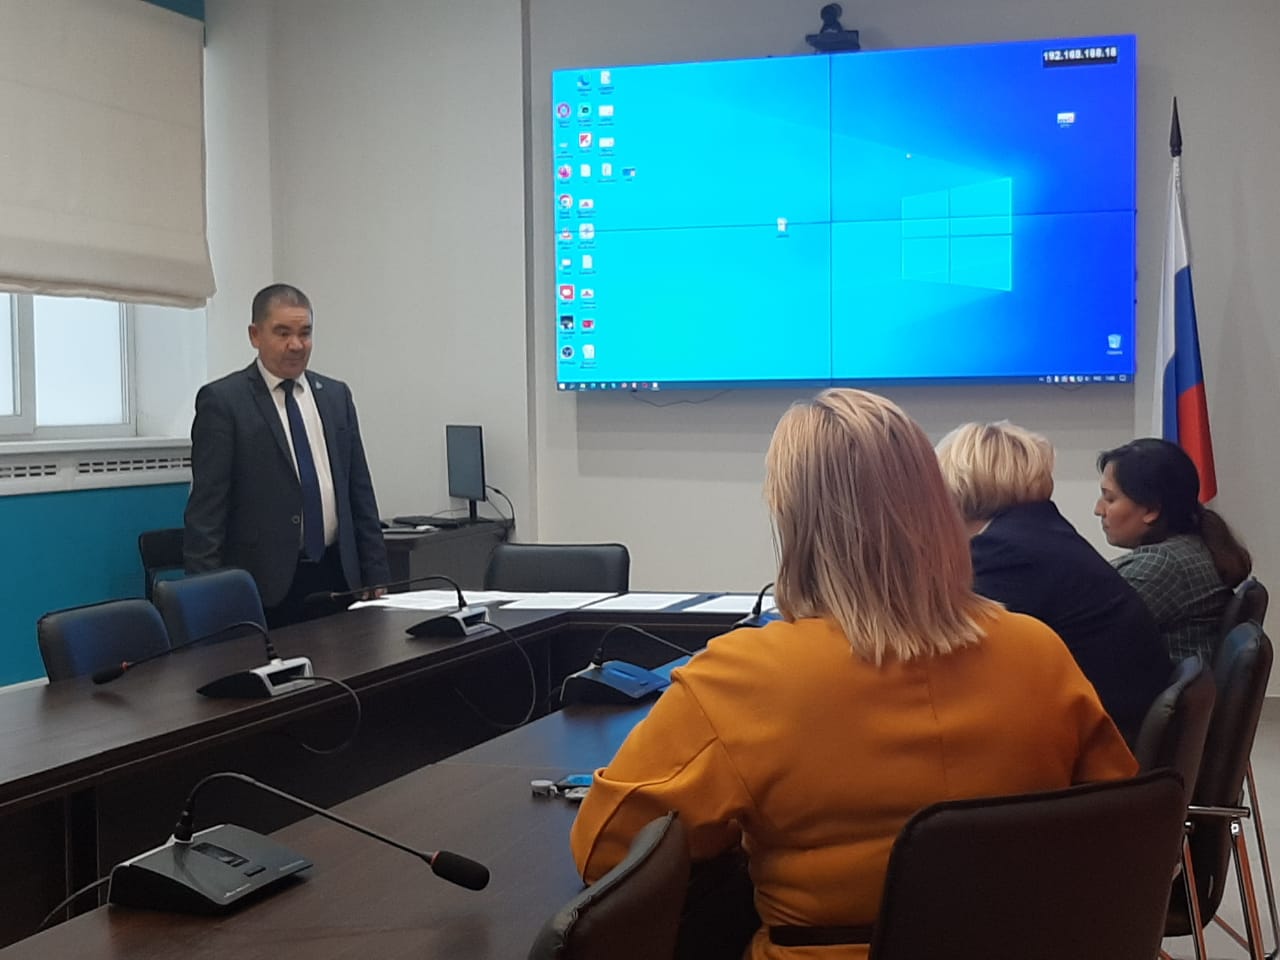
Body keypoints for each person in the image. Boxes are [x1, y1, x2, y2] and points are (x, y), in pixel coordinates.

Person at [570, 389, 1136, 960]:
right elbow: (1117, 823)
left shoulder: (739, 677)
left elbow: (607, 852)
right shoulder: (1038, 650)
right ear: (937, 504)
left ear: (792, 518)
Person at [935, 421, 1170, 744]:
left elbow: (955, 659)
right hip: (1116, 725)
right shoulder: (1038, 533)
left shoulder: (1005, 550)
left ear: (959, 485)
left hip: (1095, 745)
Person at [184, 283, 390, 627]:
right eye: (283, 333)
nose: (296, 344)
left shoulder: (335, 396)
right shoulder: (224, 402)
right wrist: (206, 596)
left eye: (305, 333)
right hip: (265, 585)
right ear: (255, 335)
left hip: (338, 575)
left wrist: (376, 569)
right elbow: (206, 513)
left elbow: (359, 491)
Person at [1096, 438, 1251, 660]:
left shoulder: (1161, 565)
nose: (1098, 510)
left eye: (1110, 498)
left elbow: (1082, 630)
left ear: (1151, 510)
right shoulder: (1191, 547)